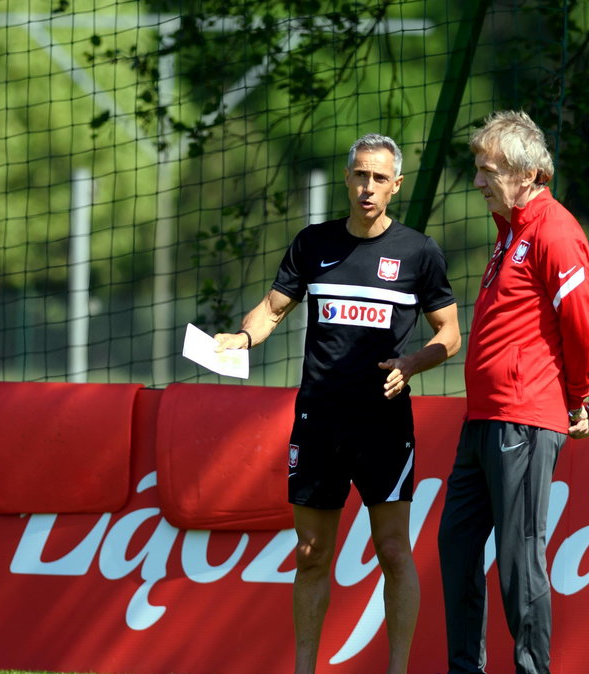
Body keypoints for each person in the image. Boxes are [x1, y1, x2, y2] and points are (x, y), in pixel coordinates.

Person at [213, 133, 460, 674]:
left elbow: (450, 333)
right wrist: (241, 338)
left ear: (396, 186)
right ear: (347, 179)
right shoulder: (313, 243)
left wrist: (412, 365)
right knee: (310, 554)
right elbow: (272, 309)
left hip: (383, 424)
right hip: (319, 420)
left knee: (394, 551)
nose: (367, 187)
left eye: (379, 178)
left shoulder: (420, 252)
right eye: (359, 175)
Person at [437, 110, 589, 674]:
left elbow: (581, 327)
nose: (478, 181)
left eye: (487, 170)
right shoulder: (510, 235)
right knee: (456, 547)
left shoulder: (555, 230)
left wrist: (579, 401)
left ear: (526, 175)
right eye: (478, 169)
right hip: (482, 420)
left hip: (525, 421)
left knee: (518, 560)